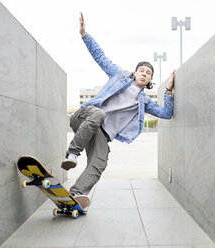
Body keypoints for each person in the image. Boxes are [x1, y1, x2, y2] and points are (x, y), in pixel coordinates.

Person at [62, 13, 175, 209]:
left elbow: (166, 113)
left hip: (102, 135)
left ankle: (75, 195)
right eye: (142, 70)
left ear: (149, 81)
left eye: (148, 74)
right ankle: (72, 154)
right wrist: (84, 34)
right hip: (85, 117)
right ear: (135, 71)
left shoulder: (144, 101)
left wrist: (168, 91)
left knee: (99, 164)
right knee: (99, 114)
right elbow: (100, 57)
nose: (144, 74)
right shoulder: (119, 75)